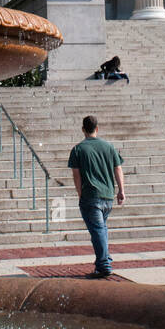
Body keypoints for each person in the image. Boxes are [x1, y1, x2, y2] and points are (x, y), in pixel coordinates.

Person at [67, 115, 126, 279]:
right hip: (107, 196)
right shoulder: (108, 147)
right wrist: (121, 191)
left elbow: (76, 175)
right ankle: (104, 260)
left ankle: (104, 265)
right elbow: (118, 169)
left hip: (90, 196)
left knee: (98, 230)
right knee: (101, 229)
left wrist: (80, 194)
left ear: (83, 130)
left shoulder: (78, 149)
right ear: (97, 129)